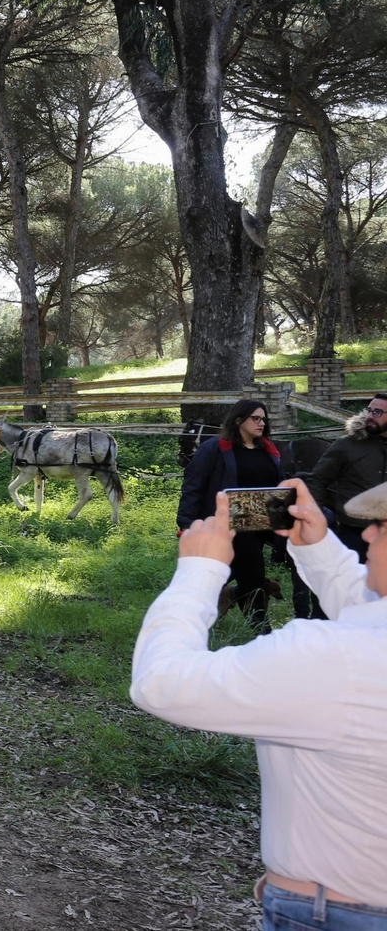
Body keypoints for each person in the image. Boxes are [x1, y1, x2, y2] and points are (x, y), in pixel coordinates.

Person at [132, 477, 387, 928]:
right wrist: (319, 549)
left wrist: (199, 570)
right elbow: (370, 618)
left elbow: (161, 681)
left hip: (342, 913)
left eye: (382, 527)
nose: (367, 533)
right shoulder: (362, 652)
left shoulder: (331, 658)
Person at [179, 400, 285, 633]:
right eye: (256, 418)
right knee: (253, 575)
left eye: (263, 419)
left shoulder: (267, 450)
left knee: (233, 575)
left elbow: (277, 486)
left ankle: (196, 613)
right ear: (239, 420)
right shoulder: (215, 448)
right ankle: (263, 632)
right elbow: (193, 485)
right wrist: (186, 523)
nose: (261, 423)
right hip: (226, 523)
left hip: (260, 524)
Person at [308, 393, 387, 563]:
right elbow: (317, 480)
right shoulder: (347, 445)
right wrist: (315, 517)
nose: (370, 416)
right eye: (369, 410)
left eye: (378, 412)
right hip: (355, 535)